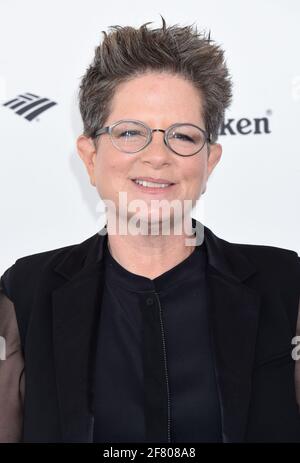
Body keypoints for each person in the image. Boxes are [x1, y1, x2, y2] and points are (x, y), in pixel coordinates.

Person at [0, 17, 300, 443]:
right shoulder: (26, 292)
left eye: (182, 136)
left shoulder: (286, 286)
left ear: (209, 161)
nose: (157, 156)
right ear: (89, 156)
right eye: (129, 133)